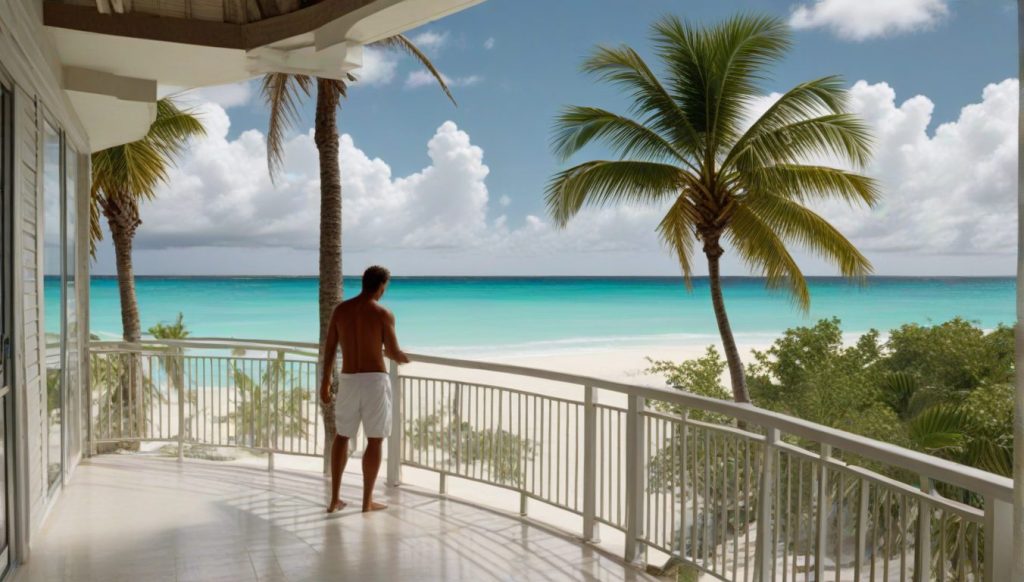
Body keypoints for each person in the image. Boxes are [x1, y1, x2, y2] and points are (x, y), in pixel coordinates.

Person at [320, 265, 410, 513]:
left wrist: (325, 381)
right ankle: (366, 501)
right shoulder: (383, 313)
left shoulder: (341, 310)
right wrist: (405, 358)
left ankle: (335, 499)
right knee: (375, 439)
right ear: (380, 286)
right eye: (384, 287)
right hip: (374, 381)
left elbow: (330, 348)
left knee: (342, 436)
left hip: (348, 378)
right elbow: (392, 352)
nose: (384, 292)